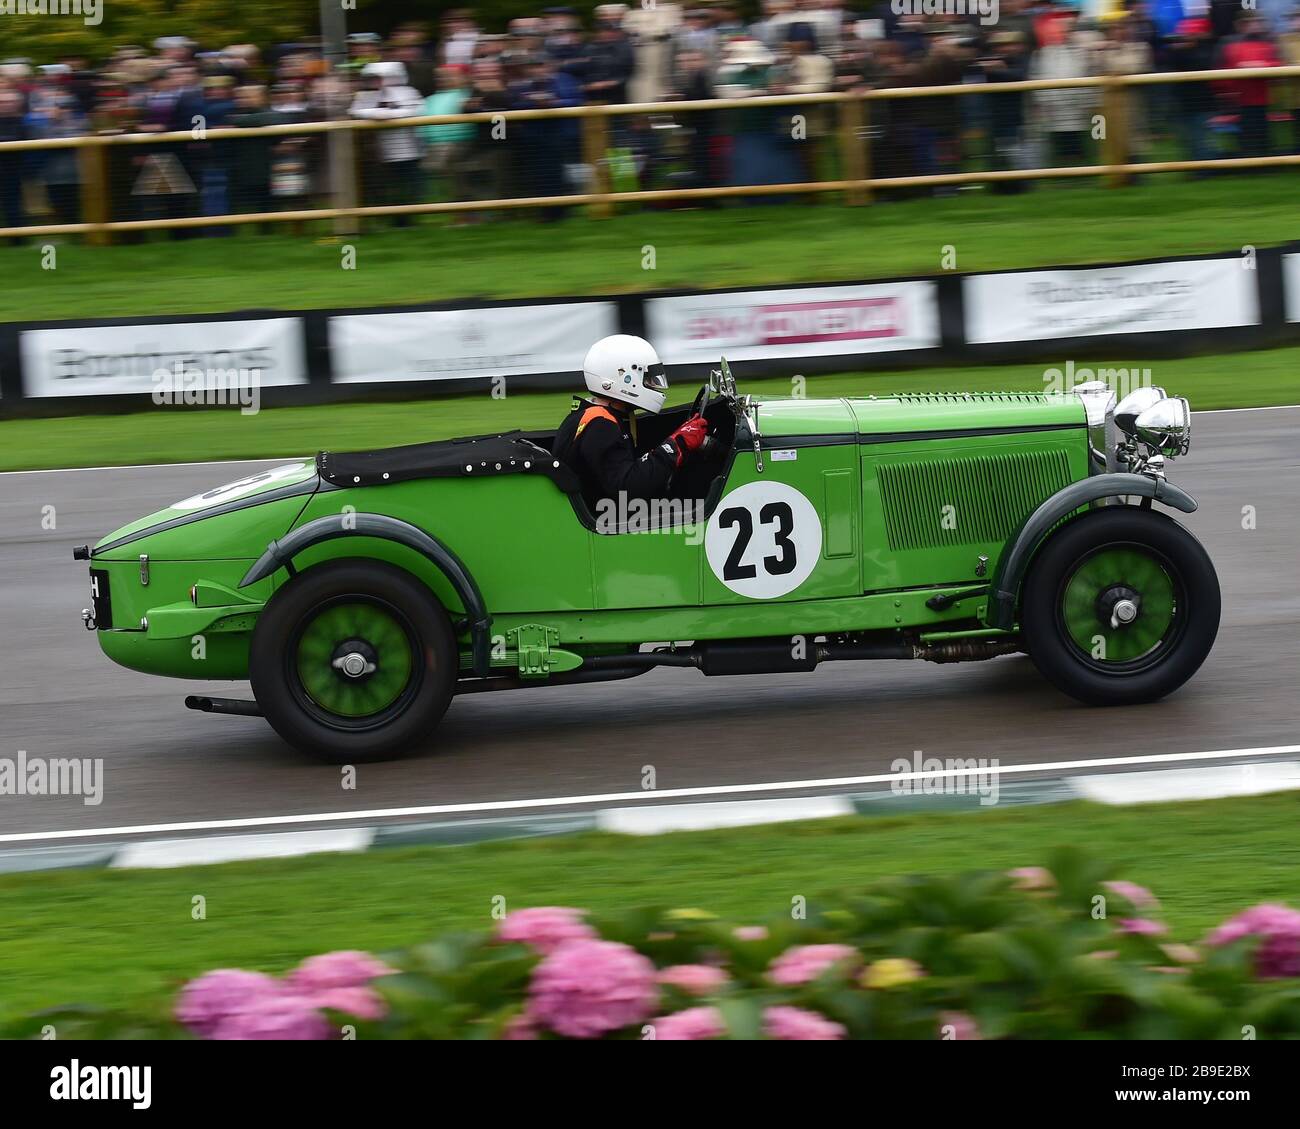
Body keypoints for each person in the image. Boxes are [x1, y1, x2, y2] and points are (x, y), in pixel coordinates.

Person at [552, 335, 709, 512]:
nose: (653, 385)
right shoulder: (601, 425)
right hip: (607, 519)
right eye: (647, 378)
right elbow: (626, 489)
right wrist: (677, 445)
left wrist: (675, 440)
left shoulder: (594, 414)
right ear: (622, 376)